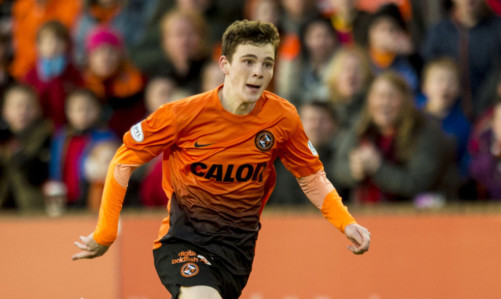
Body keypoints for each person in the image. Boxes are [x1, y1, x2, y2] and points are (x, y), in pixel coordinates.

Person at [72, 20, 370, 299]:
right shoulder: (181, 115)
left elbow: (311, 178)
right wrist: (106, 232)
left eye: (267, 63)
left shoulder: (283, 119)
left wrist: (346, 222)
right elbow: (122, 162)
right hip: (182, 243)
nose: (258, 72)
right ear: (225, 65)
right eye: (248, 61)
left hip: (237, 254)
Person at [332, 71, 459, 204]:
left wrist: (378, 168)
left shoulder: (425, 133)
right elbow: (337, 168)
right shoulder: (361, 129)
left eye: (391, 97)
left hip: (416, 215)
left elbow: (418, 183)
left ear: (405, 101)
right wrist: (354, 170)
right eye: (378, 96)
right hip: (365, 215)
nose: (384, 103)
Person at [45, 89, 116, 209]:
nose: (83, 114)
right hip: (64, 196)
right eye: (79, 109)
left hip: (92, 196)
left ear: (98, 110)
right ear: (68, 112)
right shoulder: (61, 138)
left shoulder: (105, 137)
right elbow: (55, 164)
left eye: (89, 109)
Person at [0, 83, 52, 211]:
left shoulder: (46, 135)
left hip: (32, 208)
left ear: (38, 110)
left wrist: (17, 152)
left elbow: (36, 174)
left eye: (28, 106)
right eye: (16, 106)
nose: (22, 111)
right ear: (4, 111)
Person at [23, 20, 83, 128]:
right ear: (38, 46)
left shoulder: (73, 71)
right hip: (39, 126)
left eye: (59, 41)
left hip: (68, 125)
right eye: (48, 42)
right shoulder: (31, 74)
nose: (54, 46)